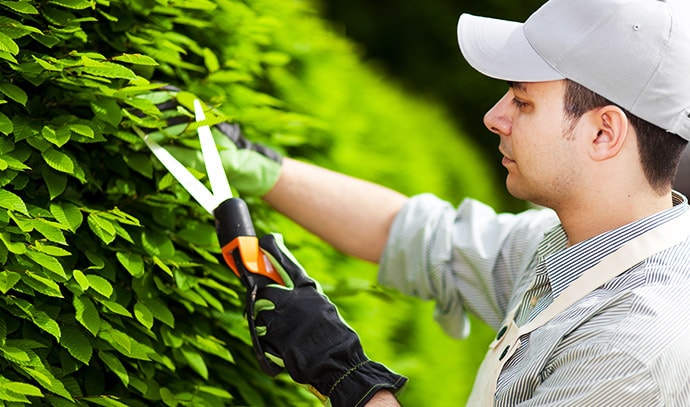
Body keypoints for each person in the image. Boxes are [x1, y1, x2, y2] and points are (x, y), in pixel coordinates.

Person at [158, 0, 690, 405]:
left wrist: (348, 377)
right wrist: (257, 165)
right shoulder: (571, 245)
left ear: (604, 134)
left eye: (523, 100)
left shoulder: (635, 347)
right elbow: (416, 235)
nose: (494, 116)